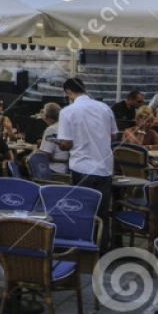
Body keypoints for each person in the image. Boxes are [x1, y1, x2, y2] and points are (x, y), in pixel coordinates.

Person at [55, 78, 115, 247]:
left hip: (81, 166)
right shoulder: (105, 108)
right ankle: (102, 248)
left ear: (68, 92)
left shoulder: (67, 111)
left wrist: (59, 142)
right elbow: (114, 135)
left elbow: (66, 144)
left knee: (81, 210)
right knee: (102, 213)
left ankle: (84, 248)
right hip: (104, 167)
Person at [36, 102, 69, 174]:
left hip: (53, 170)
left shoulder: (51, 130)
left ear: (46, 116)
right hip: (66, 169)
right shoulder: (65, 126)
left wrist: (36, 151)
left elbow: (45, 155)